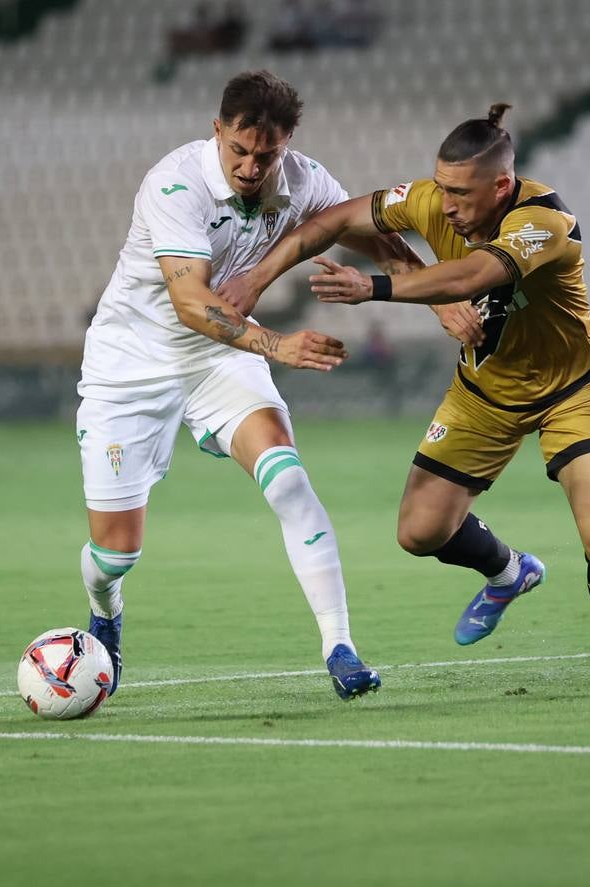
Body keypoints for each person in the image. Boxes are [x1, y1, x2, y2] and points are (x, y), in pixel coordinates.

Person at [218, 104, 590, 698]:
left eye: (461, 192)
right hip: (483, 395)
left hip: (573, 392)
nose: (446, 203)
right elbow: (330, 221)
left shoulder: (545, 222)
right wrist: (254, 281)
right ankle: (510, 572)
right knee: (419, 532)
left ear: (502, 186)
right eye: (441, 187)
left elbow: (472, 277)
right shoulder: (430, 198)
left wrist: (374, 286)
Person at [76, 70, 423, 700]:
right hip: (130, 365)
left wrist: (440, 302)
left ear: (286, 142)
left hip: (219, 358)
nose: (250, 166)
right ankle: (106, 610)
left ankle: (340, 646)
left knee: (288, 478)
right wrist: (279, 344)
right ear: (218, 132)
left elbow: (369, 234)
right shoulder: (175, 184)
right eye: (239, 150)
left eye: (267, 154)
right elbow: (189, 303)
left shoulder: (304, 179)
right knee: (115, 555)